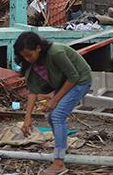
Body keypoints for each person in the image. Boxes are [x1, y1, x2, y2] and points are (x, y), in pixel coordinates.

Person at [14, 31, 92, 175]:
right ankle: (62, 148)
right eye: (23, 56)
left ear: (38, 48)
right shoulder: (32, 64)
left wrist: (54, 100)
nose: (27, 59)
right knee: (50, 117)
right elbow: (32, 91)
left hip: (80, 80)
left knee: (57, 115)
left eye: (29, 55)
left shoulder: (55, 53)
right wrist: (27, 119)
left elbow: (74, 77)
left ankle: (59, 162)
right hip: (65, 83)